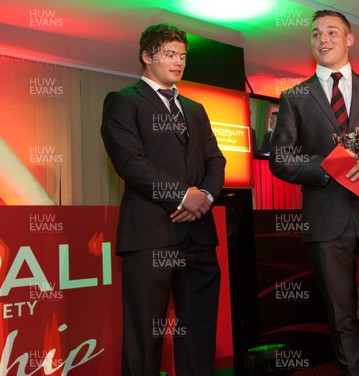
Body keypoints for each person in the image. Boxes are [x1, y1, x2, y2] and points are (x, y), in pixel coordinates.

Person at [269, 10, 359, 375]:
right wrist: (327, 164)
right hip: (325, 221)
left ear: (350, 39)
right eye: (316, 34)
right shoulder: (294, 97)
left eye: (333, 32)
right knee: (341, 317)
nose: (324, 39)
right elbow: (280, 159)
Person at [101, 23, 226, 375]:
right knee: (144, 338)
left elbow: (216, 161)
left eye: (183, 56)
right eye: (170, 54)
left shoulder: (196, 109)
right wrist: (181, 197)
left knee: (200, 334)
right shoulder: (123, 102)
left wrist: (204, 196)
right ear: (146, 56)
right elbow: (130, 162)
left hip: (199, 237)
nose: (178, 62)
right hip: (150, 237)